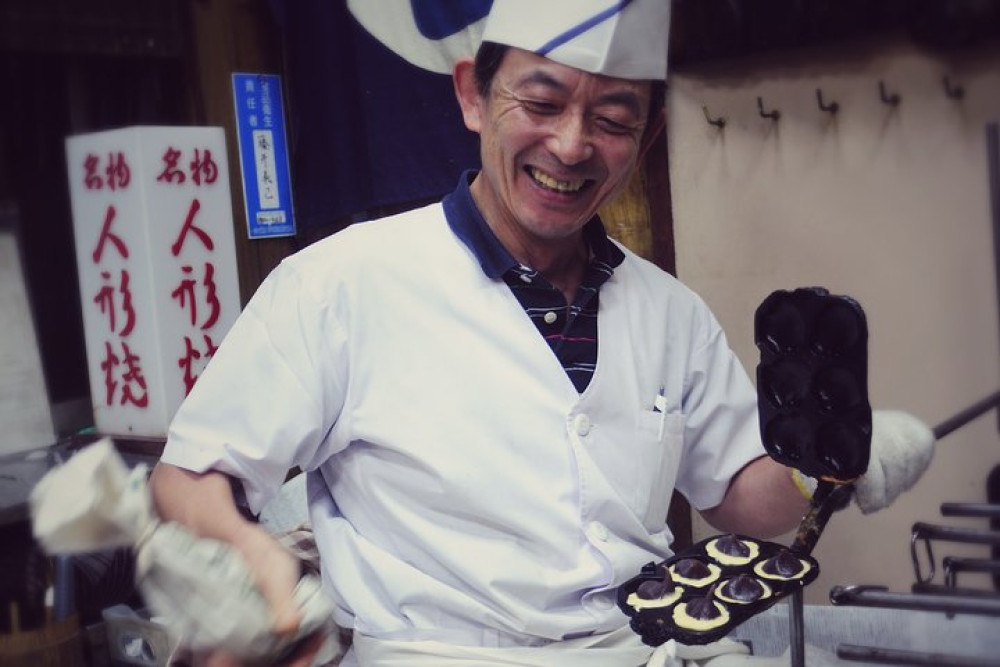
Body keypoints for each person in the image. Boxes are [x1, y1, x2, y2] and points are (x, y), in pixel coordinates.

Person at [148, 2, 934, 665]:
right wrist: (248, 555)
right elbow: (190, 475)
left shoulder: (668, 310)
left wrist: (828, 465)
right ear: (472, 96)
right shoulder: (339, 284)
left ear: (648, 136)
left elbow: (734, 494)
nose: (570, 146)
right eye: (543, 102)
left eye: (613, 118)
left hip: (640, 647)